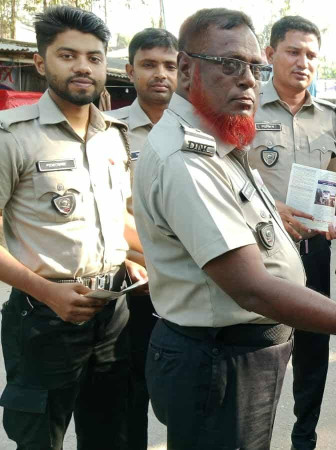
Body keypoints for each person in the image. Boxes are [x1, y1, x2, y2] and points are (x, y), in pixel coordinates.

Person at [133, 10, 336, 450]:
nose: (246, 80)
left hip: (240, 346)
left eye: (252, 68)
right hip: (218, 357)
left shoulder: (222, 140)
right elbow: (253, 288)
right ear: (186, 68)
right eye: (229, 64)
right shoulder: (188, 159)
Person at [0, 6, 147, 449]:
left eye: (94, 57)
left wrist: (147, 257)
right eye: (68, 55)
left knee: (112, 435)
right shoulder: (12, 136)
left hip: (113, 312)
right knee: (40, 439)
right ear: (41, 62)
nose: (83, 66)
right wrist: (48, 293)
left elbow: (119, 219)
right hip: (43, 317)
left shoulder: (113, 135)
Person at [247, 16, 336, 450]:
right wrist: (271, 210)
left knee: (313, 349)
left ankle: (304, 438)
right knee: (259, 351)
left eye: (311, 55)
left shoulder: (331, 118)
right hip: (258, 252)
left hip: (313, 250)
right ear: (270, 55)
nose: (303, 62)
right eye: (293, 52)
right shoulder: (243, 107)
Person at [108, 26, 178, 450]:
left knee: (184, 400)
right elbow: (103, 211)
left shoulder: (197, 130)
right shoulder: (108, 130)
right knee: (129, 395)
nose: (160, 74)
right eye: (149, 65)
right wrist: (133, 259)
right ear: (130, 71)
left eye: (170, 65)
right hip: (134, 283)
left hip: (187, 285)